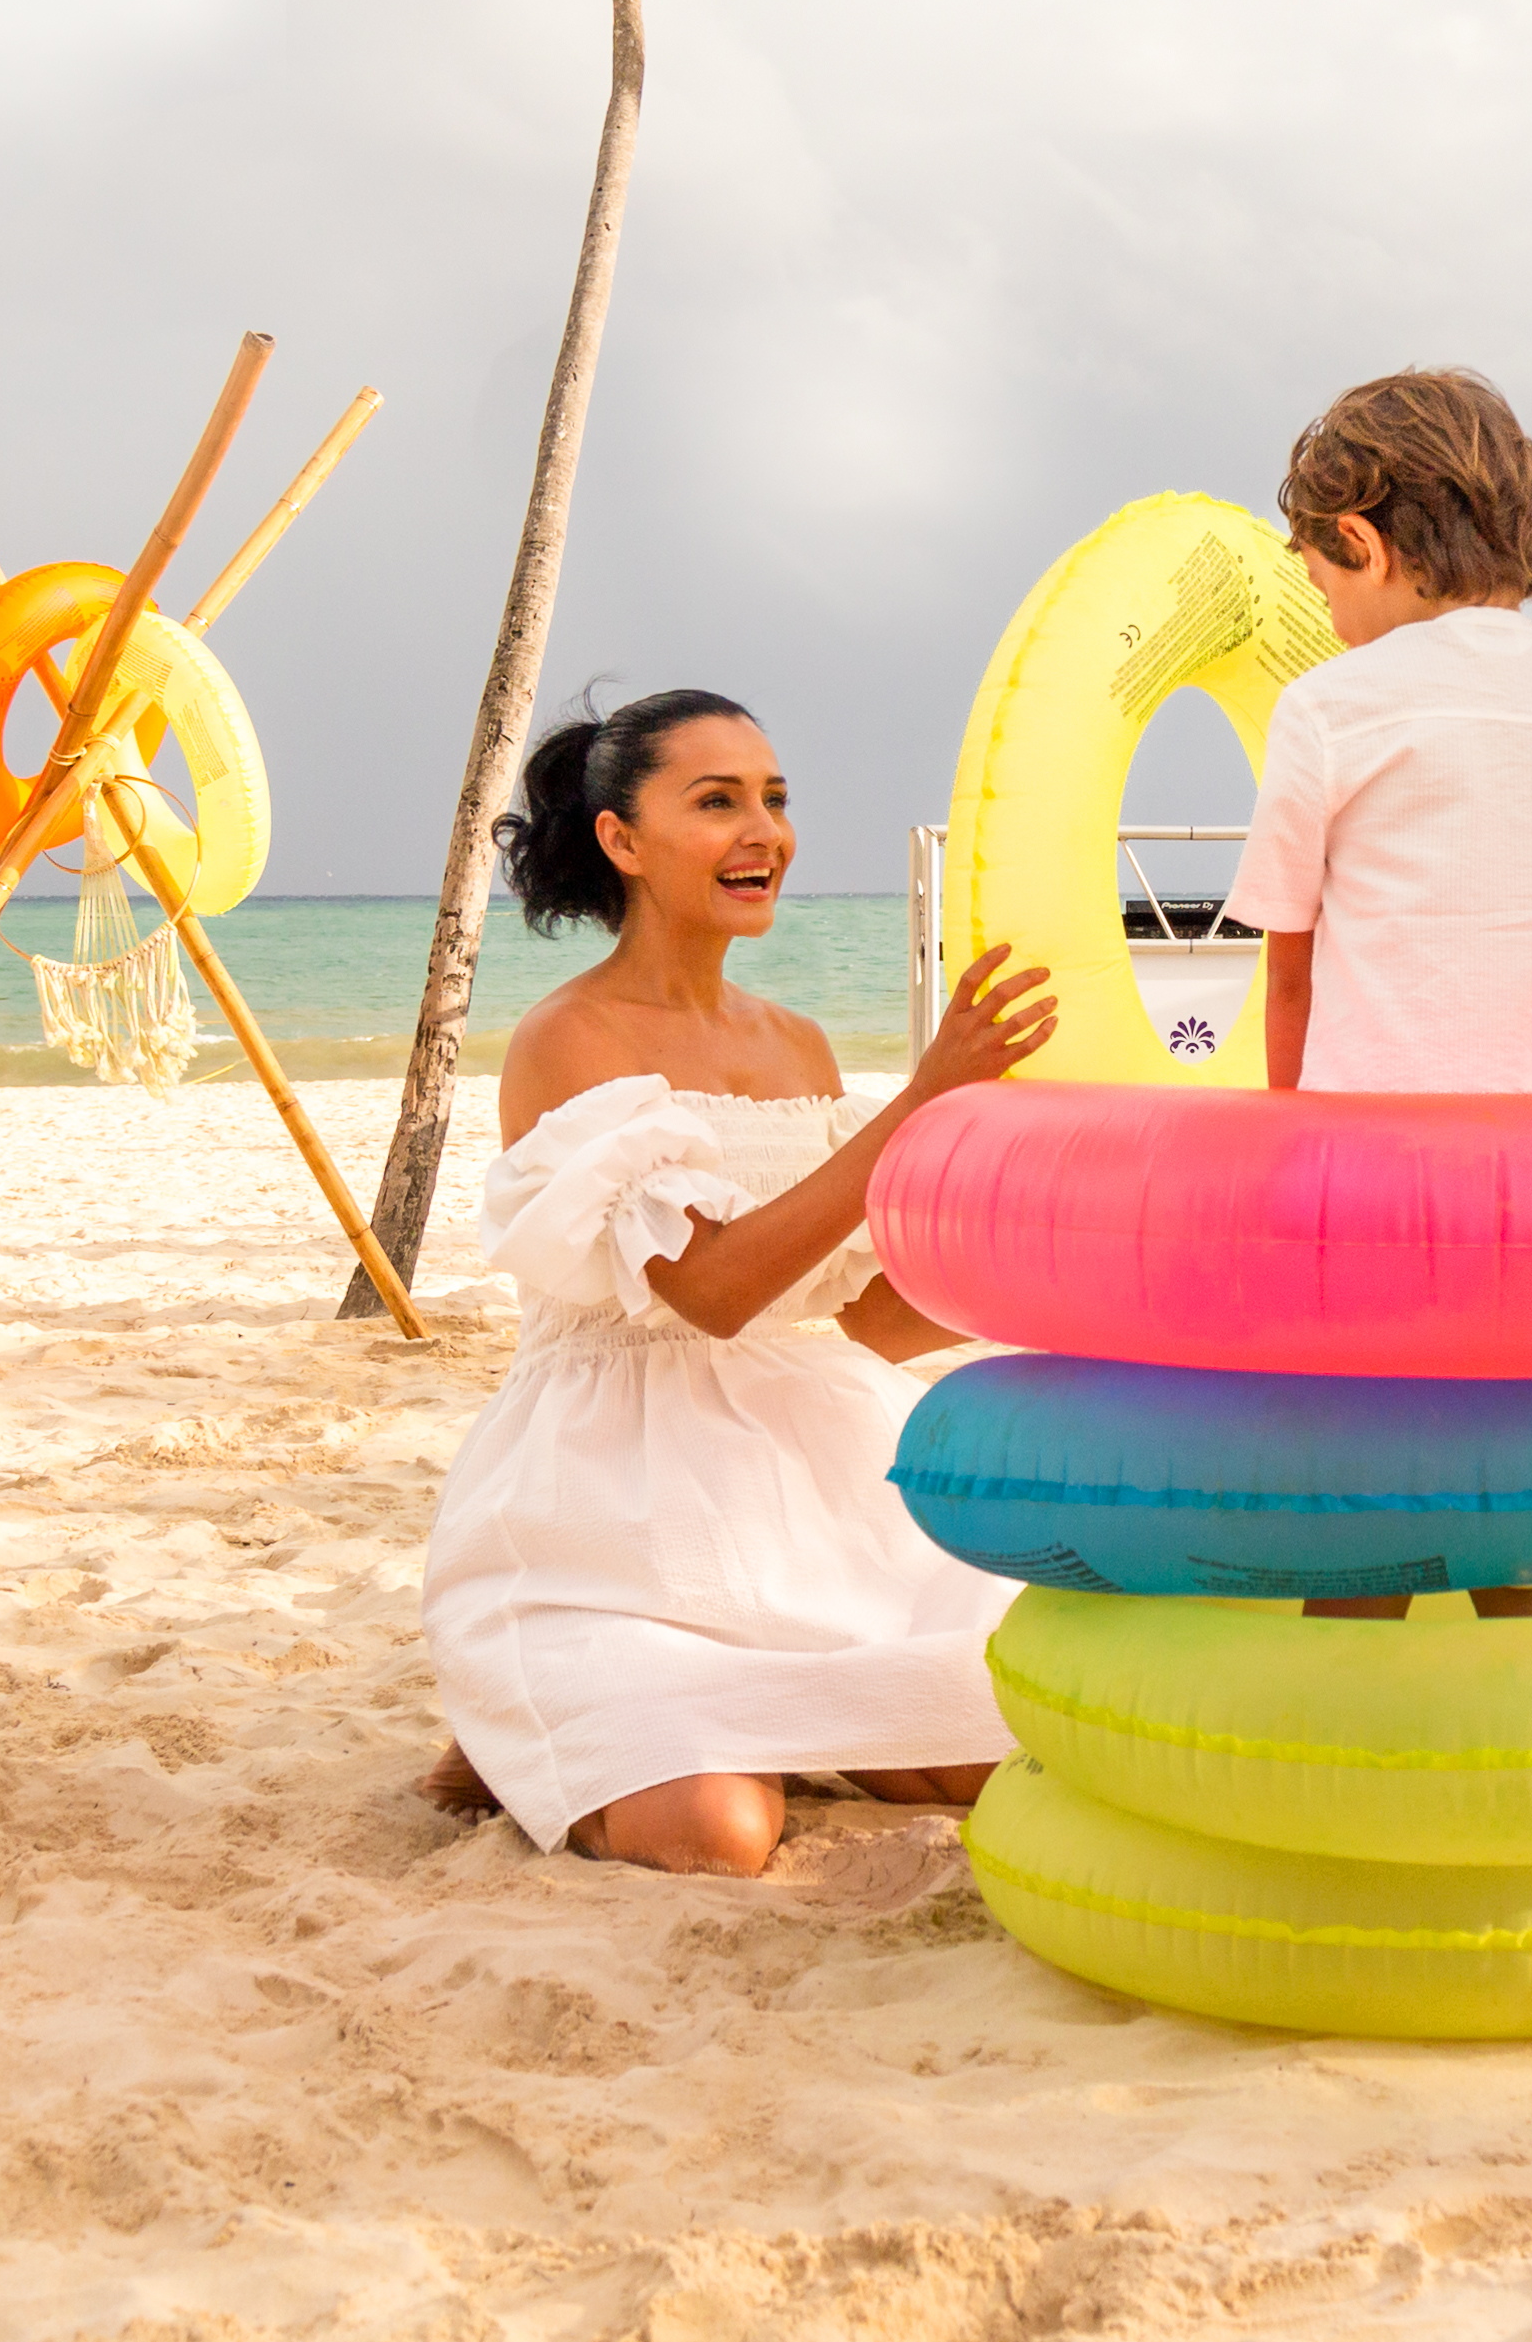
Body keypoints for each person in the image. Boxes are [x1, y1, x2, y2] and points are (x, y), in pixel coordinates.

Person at [420, 689, 1060, 1876]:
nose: (763, 830)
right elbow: (708, 1294)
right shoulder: (573, 1037)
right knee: (718, 1840)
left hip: (811, 1489)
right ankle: (532, 1713)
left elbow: (857, 1316)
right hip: (617, 1513)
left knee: (1009, 1749)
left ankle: (761, 1714)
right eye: (716, 802)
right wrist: (919, 1100)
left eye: (774, 799)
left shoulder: (798, 1042)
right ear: (623, 841)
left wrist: (1011, 1224)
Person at [1226, 367, 1532, 1098]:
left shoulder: (1325, 710)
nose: (1331, 620)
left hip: (1379, 1162)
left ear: (1362, 545)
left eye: (1322, 586)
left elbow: (1290, 984)